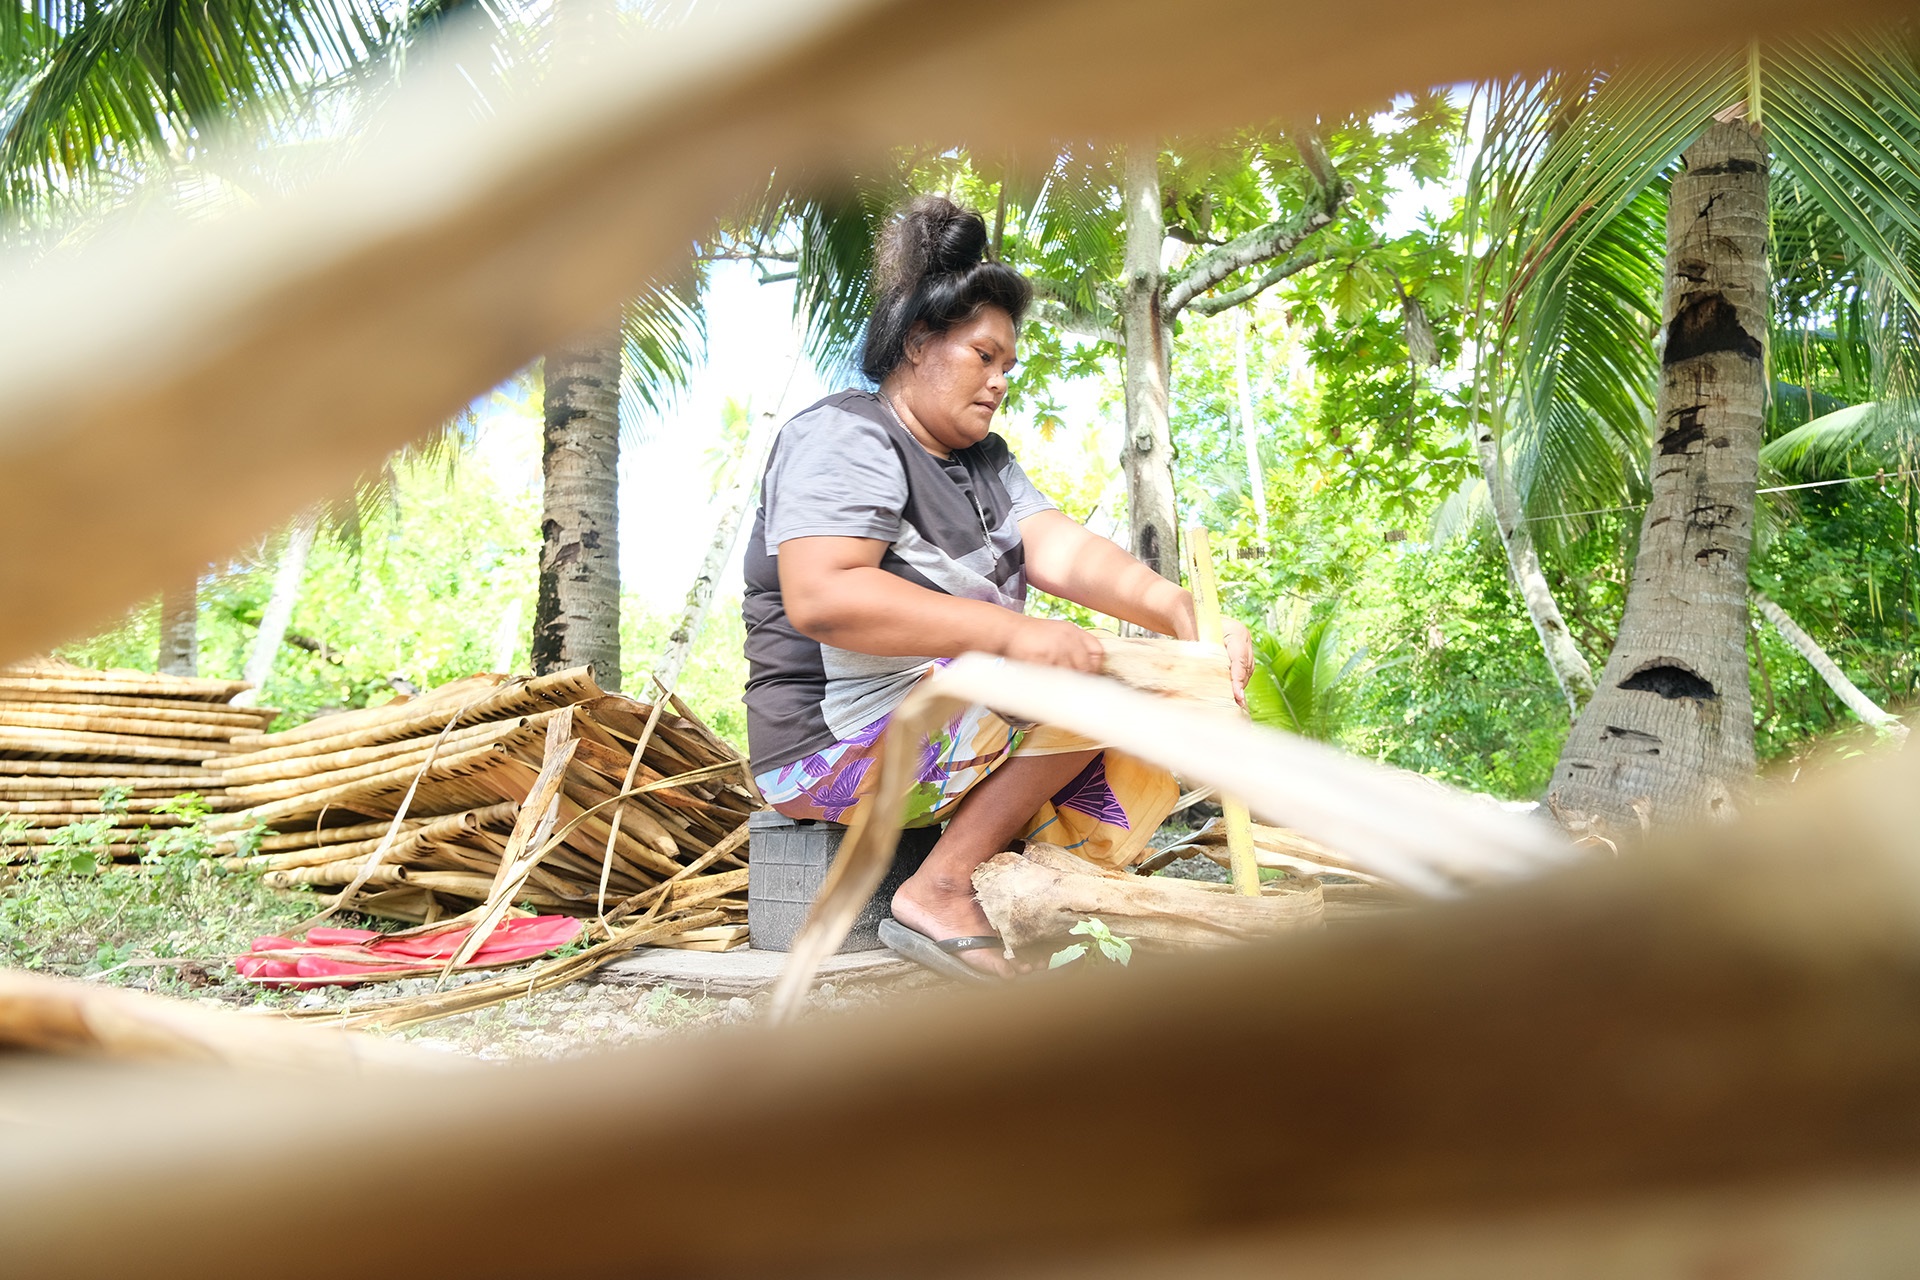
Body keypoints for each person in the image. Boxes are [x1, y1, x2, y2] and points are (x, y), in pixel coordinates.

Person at [742, 195, 1251, 976]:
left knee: (1154, 727)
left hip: (939, 722)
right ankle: (940, 890)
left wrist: (1179, 614)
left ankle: (1036, 897)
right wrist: (1014, 634)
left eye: (1009, 364)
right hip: (828, 752)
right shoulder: (846, 434)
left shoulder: (984, 462)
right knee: (1073, 676)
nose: (1001, 380)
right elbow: (824, 596)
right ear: (918, 342)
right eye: (985, 356)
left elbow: (1062, 551)